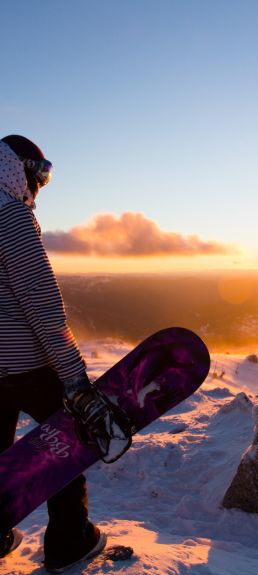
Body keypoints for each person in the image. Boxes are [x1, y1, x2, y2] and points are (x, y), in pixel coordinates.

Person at [0, 135, 131, 573]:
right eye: (39, 175)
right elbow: (41, 302)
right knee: (64, 446)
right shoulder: (9, 215)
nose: (39, 188)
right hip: (27, 365)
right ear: (18, 170)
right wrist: (75, 379)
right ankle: (69, 543)